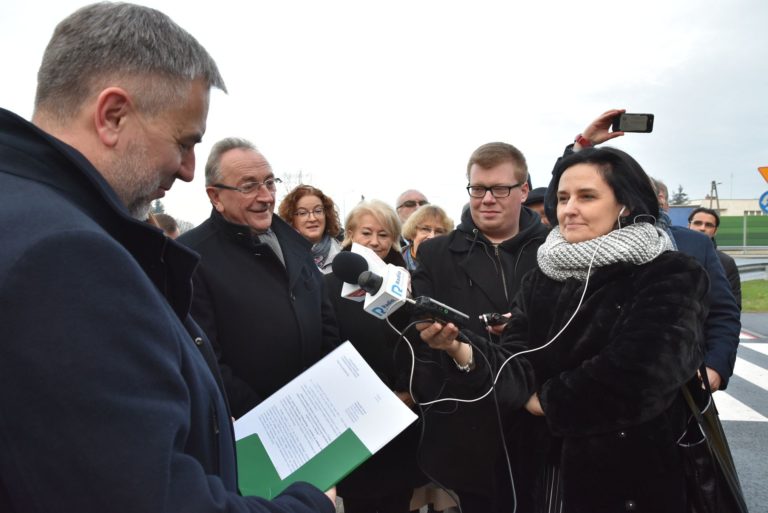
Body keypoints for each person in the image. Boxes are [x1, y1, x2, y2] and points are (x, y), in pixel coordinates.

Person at [0, 3, 334, 513]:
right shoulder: (65, 255)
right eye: (183, 142)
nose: (185, 170)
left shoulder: (28, 213)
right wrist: (310, 507)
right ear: (112, 116)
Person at [421, 147, 708, 512]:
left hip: (625, 475)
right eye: (562, 197)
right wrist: (460, 349)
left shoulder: (670, 272)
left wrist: (546, 402)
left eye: (587, 196)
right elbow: (515, 358)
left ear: (627, 205)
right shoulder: (544, 273)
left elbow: (642, 373)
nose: (568, 208)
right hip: (538, 469)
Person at [410, 142, 550, 513]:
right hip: (470, 427)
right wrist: (450, 345)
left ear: (523, 190)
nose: (487, 199)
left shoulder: (556, 250)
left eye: (499, 189)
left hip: (541, 421)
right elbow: (419, 336)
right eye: (478, 188)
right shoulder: (437, 254)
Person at [560, 109, 740, 392]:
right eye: (648, 193)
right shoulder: (596, 245)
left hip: (684, 383)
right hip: (606, 388)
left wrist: (715, 367)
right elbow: (561, 201)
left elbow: (722, 311)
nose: (655, 200)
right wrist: (581, 148)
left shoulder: (695, 245)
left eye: (660, 195)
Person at [177, 138, 339, 418]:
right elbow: (207, 362)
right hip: (257, 427)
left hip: (317, 412)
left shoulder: (295, 242)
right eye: (249, 186)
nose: (265, 197)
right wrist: (269, 415)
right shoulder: (191, 257)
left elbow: (326, 324)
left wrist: (325, 391)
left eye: (270, 182)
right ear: (215, 197)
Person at [323, 200, 425, 513]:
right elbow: (326, 344)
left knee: (398, 498)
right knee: (361, 500)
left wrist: (409, 389)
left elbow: (421, 343)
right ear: (350, 235)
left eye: (383, 234)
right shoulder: (328, 286)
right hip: (355, 413)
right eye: (366, 232)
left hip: (403, 409)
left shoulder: (408, 284)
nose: (375, 241)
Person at [278, 184, 343, 273]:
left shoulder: (344, 254)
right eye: (303, 213)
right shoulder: (282, 258)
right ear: (291, 219)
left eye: (318, 211)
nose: (312, 218)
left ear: (326, 215)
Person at [688, 207, 742, 309]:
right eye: (697, 223)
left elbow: (734, 305)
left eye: (708, 225)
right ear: (689, 226)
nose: (702, 228)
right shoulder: (675, 255)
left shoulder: (726, 263)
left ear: (715, 231)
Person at [400, 204, 453, 271]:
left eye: (439, 231)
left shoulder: (454, 264)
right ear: (412, 232)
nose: (432, 237)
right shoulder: (394, 262)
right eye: (425, 229)